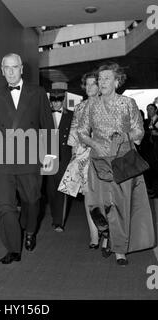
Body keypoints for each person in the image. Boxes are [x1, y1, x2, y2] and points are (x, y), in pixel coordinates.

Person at [77, 62, 155, 266]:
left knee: (120, 206)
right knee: (98, 205)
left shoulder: (128, 103)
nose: (102, 82)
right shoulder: (90, 105)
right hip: (98, 160)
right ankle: (105, 232)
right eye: (100, 79)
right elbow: (82, 132)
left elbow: (139, 131)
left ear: (117, 81)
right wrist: (94, 143)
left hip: (123, 161)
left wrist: (124, 137)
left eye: (106, 79)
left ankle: (120, 249)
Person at [0, 53, 55, 264]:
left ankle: (31, 230)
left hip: (30, 157)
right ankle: (13, 248)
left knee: (32, 201)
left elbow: (47, 124)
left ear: (22, 69)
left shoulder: (38, 93)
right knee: (5, 206)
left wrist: (50, 154)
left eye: (15, 67)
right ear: (2, 70)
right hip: (3, 161)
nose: (11, 71)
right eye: (7, 68)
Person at [58, 71, 100, 247]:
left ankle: (106, 232)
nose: (89, 87)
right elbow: (74, 135)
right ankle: (94, 236)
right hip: (84, 158)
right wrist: (75, 158)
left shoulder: (108, 104)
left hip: (104, 156)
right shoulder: (80, 107)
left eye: (93, 84)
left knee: (106, 197)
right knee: (89, 197)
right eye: (87, 84)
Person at [46, 95, 73, 232]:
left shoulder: (71, 115)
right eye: (53, 101)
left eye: (58, 101)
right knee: (50, 190)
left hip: (64, 156)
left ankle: (59, 222)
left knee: (61, 189)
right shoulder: (45, 114)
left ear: (63, 101)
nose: (56, 104)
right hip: (48, 157)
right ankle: (54, 215)